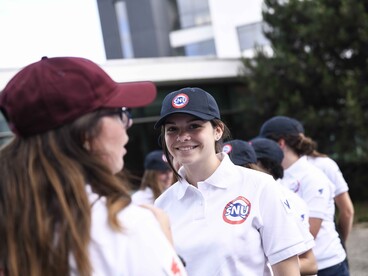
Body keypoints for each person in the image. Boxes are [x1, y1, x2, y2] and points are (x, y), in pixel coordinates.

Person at [0, 57, 187, 276]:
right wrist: (160, 237)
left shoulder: (13, 219)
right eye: (120, 113)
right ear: (86, 134)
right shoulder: (126, 227)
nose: (128, 123)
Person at [154, 87, 307, 276]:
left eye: (194, 126)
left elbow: (288, 272)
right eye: (172, 129)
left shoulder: (260, 187)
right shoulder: (162, 206)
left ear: (217, 131)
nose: (183, 136)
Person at [259, 115, 349, 276]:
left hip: (326, 265)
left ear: (281, 143)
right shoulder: (277, 177)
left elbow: (307, 234)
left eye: (265, 143)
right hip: (298, 266)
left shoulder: (313, 177)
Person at [250, 137, 317, 275]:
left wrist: (256, 264)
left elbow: (310, 263)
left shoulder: (287, 200)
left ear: (265, 166)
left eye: (248, 163)